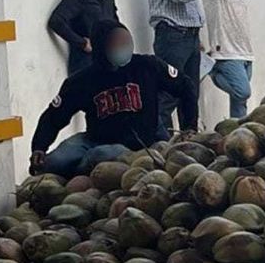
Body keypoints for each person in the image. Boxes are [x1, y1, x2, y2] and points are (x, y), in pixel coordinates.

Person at [29, 20, 198, 178]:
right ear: (101, 47)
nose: (125, 47)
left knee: (100, 155)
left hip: (141, 144)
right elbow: (53, 117)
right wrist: (39, 147)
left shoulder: (147, 66)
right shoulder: (81, 81)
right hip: (94, 139)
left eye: (127, 42)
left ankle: (78, 176)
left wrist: (189, 126)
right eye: (118, 43)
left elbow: (185, 86)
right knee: (53, 162)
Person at [146, 0, 230, 133]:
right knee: (168, 93)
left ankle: (190, 139)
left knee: (190, 92)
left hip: (188, 37)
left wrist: (197, 35)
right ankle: (160, 140)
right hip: (172, 36)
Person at [204, 0, 265, 119]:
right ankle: (213, 70)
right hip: (226, 53)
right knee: (243, 92)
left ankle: (236, 133)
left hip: (245, 53)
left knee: (239, 103)